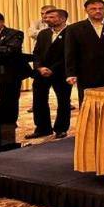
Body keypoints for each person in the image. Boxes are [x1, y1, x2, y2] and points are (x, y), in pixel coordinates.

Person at [65, 0, 104, 105]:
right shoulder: (74, 29)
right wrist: (70, 73)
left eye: (100, 8)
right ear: (86, 10)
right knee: (89, 105)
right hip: (87, 74)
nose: (98, 11)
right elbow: (70, 52)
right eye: (93, 9)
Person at [27, 9, 71, 139]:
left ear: (62, 19)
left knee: (63, 101)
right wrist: (39, 67)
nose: (46, 19)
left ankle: (61, 129)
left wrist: (53, 69)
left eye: (51, 17)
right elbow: (36, 53)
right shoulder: (43, 33)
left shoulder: (71, 32)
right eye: (46, 17)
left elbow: (70, 55)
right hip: (41, 73)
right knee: (39, 101)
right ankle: (42, 128)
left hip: (61, 72)